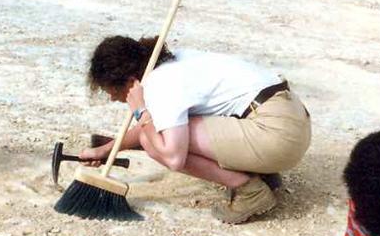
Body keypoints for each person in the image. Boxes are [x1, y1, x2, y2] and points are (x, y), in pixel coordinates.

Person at [82, 36, 311, 224]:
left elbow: (173, 157)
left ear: (130, 81)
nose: (112, 98)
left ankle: (250, 190)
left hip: (276, 135)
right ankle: (262, 171)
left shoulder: (162, 84)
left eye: (110, 90)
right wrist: (107, 150)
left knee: (155, 142)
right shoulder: (172, 62)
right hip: (290, 120)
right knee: (159, 132)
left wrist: (141, 112)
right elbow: (165, 123)